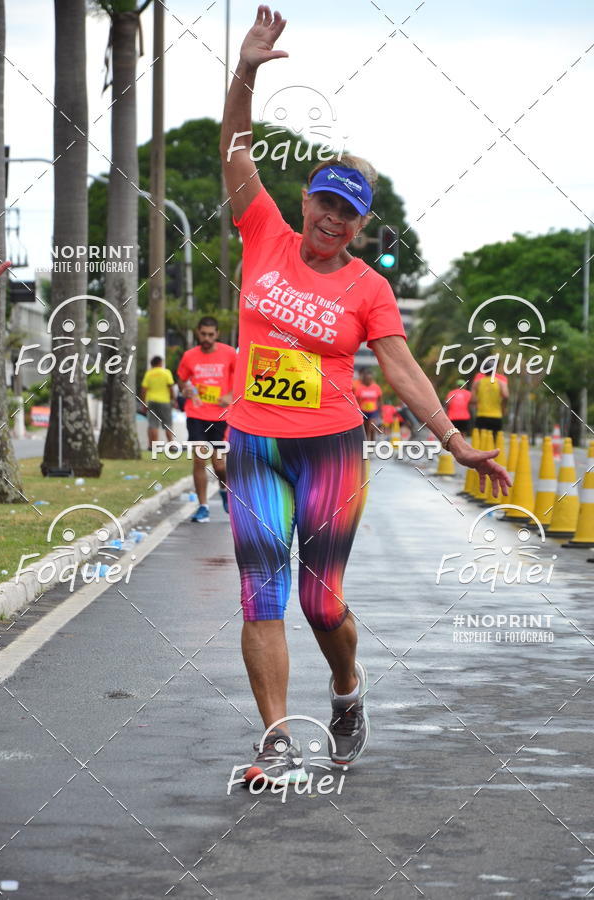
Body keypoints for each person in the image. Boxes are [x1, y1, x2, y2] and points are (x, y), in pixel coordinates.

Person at [220, 6, 510, 786]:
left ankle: (347, 690)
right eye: (323, 203)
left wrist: (454, 441)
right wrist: (246, 70)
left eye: (347, 212)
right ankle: (275, 738)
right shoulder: (264, 233)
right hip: (253, 441)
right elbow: (235, 148)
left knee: (321, 603)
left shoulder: (369, 288)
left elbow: (404, 371)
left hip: (331, 450)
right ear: (306, 199)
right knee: (260, 594)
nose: (331, 220)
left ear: (360, 223)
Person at [176, 317, 236, 522]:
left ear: (217, 334)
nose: (207, 338)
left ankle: (223, 489)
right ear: (197, 333)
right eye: (203, 334)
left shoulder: (229, 353)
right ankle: (203, 507)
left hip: (221, 416)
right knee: (200, 459)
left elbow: (241, 377)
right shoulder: (189, 356)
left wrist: (230, 395)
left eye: (211, 335)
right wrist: (186, 389)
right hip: (196, 414)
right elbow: (181, 378)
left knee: (219, 464)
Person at [140, 356, 176, 449]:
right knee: (167, 424)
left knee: (153, 424)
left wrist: (143, 402)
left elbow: (144, 389)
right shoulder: (166, 372)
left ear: (152, 364)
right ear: (160, 363)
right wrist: (173, 399)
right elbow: (170, 387)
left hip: (151, 401)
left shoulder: (149, 374)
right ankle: (171, 445)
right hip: (165, 401)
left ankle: (152, 446)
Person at [471, 369, 509, 439]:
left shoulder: (478, 383)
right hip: (496, 416)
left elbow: (473, 400)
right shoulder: (500, 382)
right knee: (495, 440)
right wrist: (503, 407)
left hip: (481, 415)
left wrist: (478, 402)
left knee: (481, 440)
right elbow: (506, 396)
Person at [354, 368, 383, 440]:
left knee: (372, 426)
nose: (369, 380)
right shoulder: (359, 388)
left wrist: (381, 412)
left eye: (370, 379)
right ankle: (367, 442)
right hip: (363, 411)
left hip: (373, 411)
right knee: (366, 428)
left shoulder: (376, 387)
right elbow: (356, 401)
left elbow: (380, 401)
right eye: (367, 379)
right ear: (364, 379)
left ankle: (372, 443)